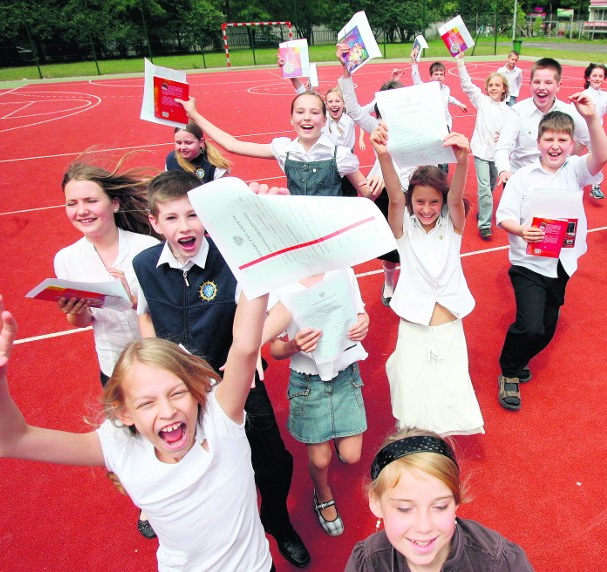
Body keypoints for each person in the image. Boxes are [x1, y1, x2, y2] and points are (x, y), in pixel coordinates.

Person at [0, 288, 274, 572]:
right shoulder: (117, 446)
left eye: (177, 393)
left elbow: (245, 347)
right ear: (125, 413)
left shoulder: (221, 422)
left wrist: (253, 256)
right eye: (146, 404)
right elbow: (7, 441)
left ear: (196, 392)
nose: (167, 411)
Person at [131, 171, 310, 568]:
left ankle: (277, 520)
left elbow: (285, 304)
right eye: (173, 218)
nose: (185, 226)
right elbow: (145, 314)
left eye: (193, 215)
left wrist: (245, 351)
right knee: (200, 468)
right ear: (154, 222)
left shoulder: (233, 257)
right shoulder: (142, 265)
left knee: (272, 461)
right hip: (180, 394)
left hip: (238, 383)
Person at [495, 95, 607, 411]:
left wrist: (592, 119)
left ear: (572, 145)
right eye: (549, 139)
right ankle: (509, 370)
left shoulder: (576, 170)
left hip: (561, 263)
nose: (555, 145)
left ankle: (519, 357)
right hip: (528, 262)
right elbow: (504, 216)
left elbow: (602, 154)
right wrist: (520, 230)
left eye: (562, 139)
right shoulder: (522, 177)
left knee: (546, 328)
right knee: (530, 326)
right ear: (538, 142)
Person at [371, 124, 484, 436]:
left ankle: (439, 447)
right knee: (411, 393)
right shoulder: (403, 229)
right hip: (414, 323)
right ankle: (413, 440)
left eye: (434, 202)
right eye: (419, 202)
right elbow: (394, 197)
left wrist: (463, 161)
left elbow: (458, 197)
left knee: (449, 392)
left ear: (442, 202)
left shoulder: (453, 227)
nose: (426, 209)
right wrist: (384, 156)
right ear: (411, 203)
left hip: (448, 324)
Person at [264, 268, 369, 537]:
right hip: (308, 382)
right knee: (321, 460)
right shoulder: (279, 283)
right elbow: (274, 348)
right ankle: (322, 495)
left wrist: (363, 323)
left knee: (351, 455)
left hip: (345, 375)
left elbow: (359, 313)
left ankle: (334, 434)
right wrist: (293, 346)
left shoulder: (341, 269)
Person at [344, 428, 535, 571]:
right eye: (404, 508)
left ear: (456, 499)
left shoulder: (499, 562)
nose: (424, 527)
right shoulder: (367, 564)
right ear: (377, 503)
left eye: (440, 506)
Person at [55, 159, 159, 387]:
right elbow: (82, 321)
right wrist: (75, 310)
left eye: (91, 201)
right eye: (72, 203)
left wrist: (131, 301)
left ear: (114, 204)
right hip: (114, 366)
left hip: (161, 360)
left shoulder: (147, 248)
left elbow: (172, 307)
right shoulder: (66, 259)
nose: (81, 211)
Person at [177, 93, 382, 199]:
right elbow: (232, 145)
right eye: (300, 112)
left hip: (330, 233)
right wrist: (194, 114)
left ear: (324, 119)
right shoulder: (284, 149)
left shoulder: (341, 155)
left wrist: (378, 182)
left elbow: (365, 193)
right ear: (291, 119)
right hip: (295, 230)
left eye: (314, 112)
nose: (307, 118)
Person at [336, 43, 409, 305]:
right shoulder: (378, 126)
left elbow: (414, 164)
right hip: (384, 194)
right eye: (385, 107)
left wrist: (395, 175)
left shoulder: (415, 128)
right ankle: (389, 283)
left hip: (411, 194)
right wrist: (346, 70)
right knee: (389, 246)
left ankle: (412, 283)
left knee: (412, 243)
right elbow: (354, 110)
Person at [494, 58, 590, 186]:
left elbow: (590, 140)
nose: (541, 87)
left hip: (556, 180)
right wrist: (504, 170)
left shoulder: (569, 111)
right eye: (537, 82)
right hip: (521, 179)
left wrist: (571, 156)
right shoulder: (517, 111)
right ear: (530, 84)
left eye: (548, 82)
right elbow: (503, 147)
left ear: (558, 85)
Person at [456, 53, 512, 240]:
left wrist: (504, 137)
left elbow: (513, 134)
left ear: (504, 88)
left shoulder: (508, 111)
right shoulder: (482, 101)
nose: (493, 88)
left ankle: (483, 209)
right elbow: (466, 84)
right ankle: (485, 224)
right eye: (490, 85)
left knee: (491, 185)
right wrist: (460, 61)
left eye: (497, 85)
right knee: (485, 189)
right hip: (480, 153)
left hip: (497, 156)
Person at [411, 58, 467, 173]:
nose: (439, 76)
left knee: (445, 149)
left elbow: (449, 98)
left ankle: (443, 173)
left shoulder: (446, 89)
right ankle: (431, 172)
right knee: (431, 150)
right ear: (430, 76)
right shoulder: (426, 89)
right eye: (436, 74)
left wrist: (459, 104)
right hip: (430, 125)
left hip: (444, 124)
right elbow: (416, 80)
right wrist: (414, 63)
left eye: (441, 74)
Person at [164, 122, 231, 182]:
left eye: (188, 143)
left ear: (201, 142)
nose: (183, 147)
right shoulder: (171, 160)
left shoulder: (215, 166)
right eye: (178, 143)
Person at [581, 63, 607, 199]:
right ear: (588, 78)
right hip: (580, 133)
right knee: (569, 155)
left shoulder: (605, 96)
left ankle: (595, 186)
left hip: (595, 134)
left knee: (599, 157)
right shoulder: (584, 95)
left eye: (601, 76)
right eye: (595, 75)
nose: (598, 78)